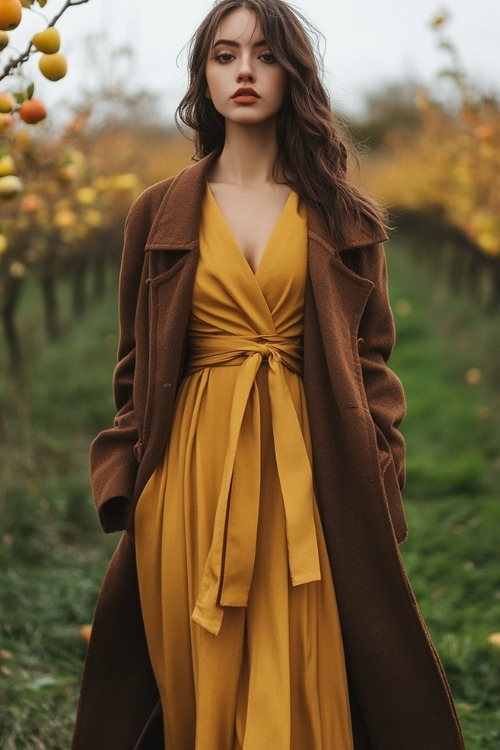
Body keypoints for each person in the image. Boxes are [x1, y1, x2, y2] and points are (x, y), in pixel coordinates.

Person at [72, 1, 465, 748]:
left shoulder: (344, 216)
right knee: (199, 695)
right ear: (204, 77)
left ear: (294, 72)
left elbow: (371, 361)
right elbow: (134, 365)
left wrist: (380, 465)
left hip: (309, 480)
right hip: (186, 487)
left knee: (304, 686)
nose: (244, 71)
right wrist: (134, 483)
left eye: (265, 54)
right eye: (224, 55)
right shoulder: (156, 213)